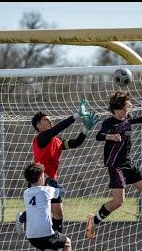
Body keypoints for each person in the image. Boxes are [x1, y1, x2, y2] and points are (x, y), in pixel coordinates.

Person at [85, 90, 142, 239]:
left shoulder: (128, 119)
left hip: (129, 164)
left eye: (125, 109)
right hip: (116, 166)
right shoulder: (109, 123)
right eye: (120, 110)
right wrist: (110, 136)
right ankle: (93, 220)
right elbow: (98, 136)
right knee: (118, 201)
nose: (124, 113)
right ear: (114, 109)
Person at [17, 99, 100, 234]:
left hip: (52, 180)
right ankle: (23, 218)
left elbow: (75, 143)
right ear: (39, 126)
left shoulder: (57, 140)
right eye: (46, 120)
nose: (50, 122)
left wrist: (85, 129)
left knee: (58, 214)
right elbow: (57, 128)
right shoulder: (41, 138)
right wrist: (76, 115)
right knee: (41, 212)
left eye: (50, 120)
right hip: (40, 179)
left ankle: (56, 241)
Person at [16, 163, 73, 251]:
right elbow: (61, 191)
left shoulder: (26, 193)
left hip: (31, 238)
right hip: (45, 235)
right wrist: (52, 183)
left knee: (51, 245)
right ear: (41, 177)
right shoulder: (48, 190)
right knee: (67, 243)